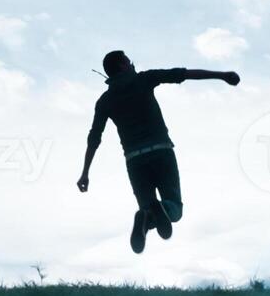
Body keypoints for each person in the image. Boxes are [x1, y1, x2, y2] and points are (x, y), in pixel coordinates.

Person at [77, 50, 240, 253]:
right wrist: (222, 75)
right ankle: (153, 213)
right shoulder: (145, 79)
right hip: (161, 152)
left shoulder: (105, 101)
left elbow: (94, 138)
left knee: (148, 209)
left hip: (134, 161)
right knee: (174, 210)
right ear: (122, 65)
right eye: (129, 61)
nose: (133, 64)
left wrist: (85, 172)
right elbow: (184, 74)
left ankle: (145, 216)